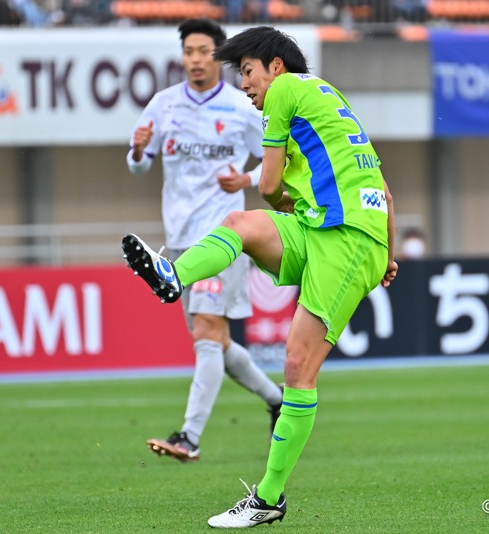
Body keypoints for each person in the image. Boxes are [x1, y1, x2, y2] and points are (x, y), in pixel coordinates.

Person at [122, 25, 397, 527]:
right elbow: (382, 187)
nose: (244, 85)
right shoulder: (328, 97)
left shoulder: (287, 91)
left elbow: (268, 184)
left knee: (297, 366)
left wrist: (294, 207)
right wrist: (388, 251)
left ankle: (269, 498)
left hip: (348, 239)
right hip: (334, 230)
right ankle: (171, 274)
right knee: (239, 225)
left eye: (246, 71)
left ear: (276, 66)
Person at [125, 18, 283, 464]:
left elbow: (278, 157)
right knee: (213, 340)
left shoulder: (240, 106)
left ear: (218, 56)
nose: (195, 59)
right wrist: (138, 151)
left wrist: (246, 178)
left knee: (208, 334)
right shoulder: (162, 105)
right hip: (178, 242)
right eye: (188, 51)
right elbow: (138, 165)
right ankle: (277, 399)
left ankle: (189, 437)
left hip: (224, 238)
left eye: (203, 51)